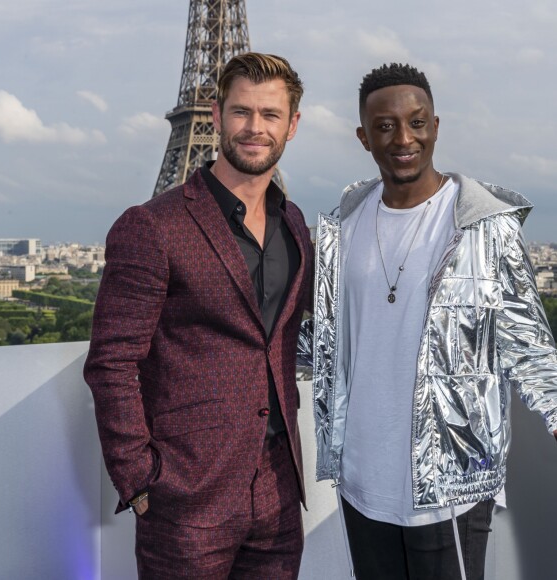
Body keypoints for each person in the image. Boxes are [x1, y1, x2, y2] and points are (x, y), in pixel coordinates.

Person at [310, 63, 557, 579]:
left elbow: (529, 347)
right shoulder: (343, 226)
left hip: (450, 486)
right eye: (385, 126)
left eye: (417, 122)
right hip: (359, 481)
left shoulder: (484, 227)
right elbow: (325, 343)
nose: (404, 138)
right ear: (363, 137)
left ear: (436, 126)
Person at [84, 52, 313, 580]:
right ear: (215, 115)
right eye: (242, 112)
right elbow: (111, 363)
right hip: (187, 498)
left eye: (271, 114)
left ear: (292, 125)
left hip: (278, 492)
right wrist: (140, 479)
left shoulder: (294, 224)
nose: (255, 128)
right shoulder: (152, 225)